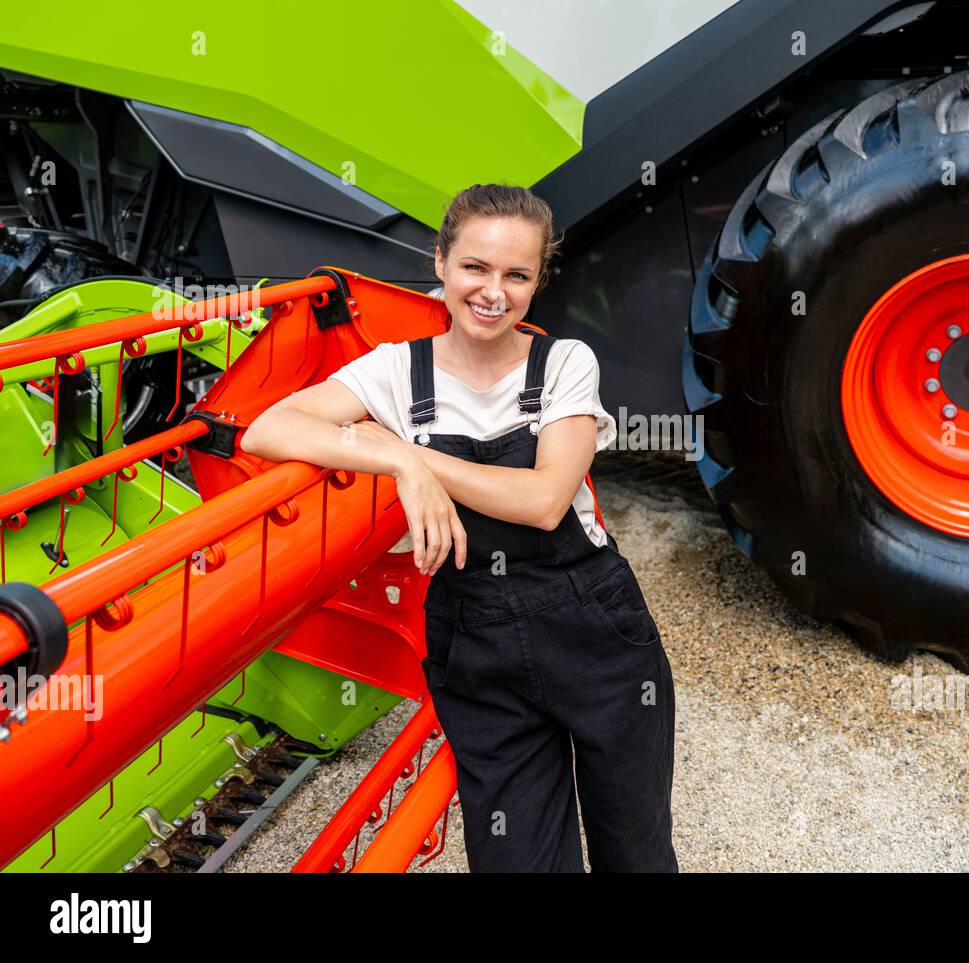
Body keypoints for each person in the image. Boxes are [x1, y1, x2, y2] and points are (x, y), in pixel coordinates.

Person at [240, 183, 678, 873]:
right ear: (439, 262)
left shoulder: (565, 363)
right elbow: (268, 428)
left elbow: (543, 501)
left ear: (537, 282)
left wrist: (415, 458)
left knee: (636, 852)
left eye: (517, 275)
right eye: (475, 266)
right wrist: (394, 459)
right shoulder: (395, 370)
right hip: (477, 645)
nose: (493, 292)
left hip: (595, 632)